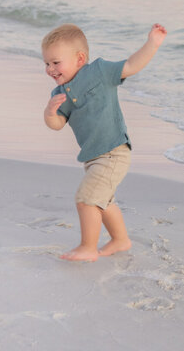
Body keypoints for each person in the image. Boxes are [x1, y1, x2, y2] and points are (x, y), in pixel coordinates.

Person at [42, 22, 167, 261]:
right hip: (93, 156)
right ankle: (120, 240)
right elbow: (57, 124)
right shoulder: (59, 93)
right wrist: (49, 113)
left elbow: (131, 65)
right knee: (103, 201)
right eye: (46, 63)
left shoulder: (99, 72)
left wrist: (152, 42)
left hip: (113, 151)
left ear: (80, 58)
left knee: (86, 199)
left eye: (56, 62)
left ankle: (88, 247)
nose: (50, 69)